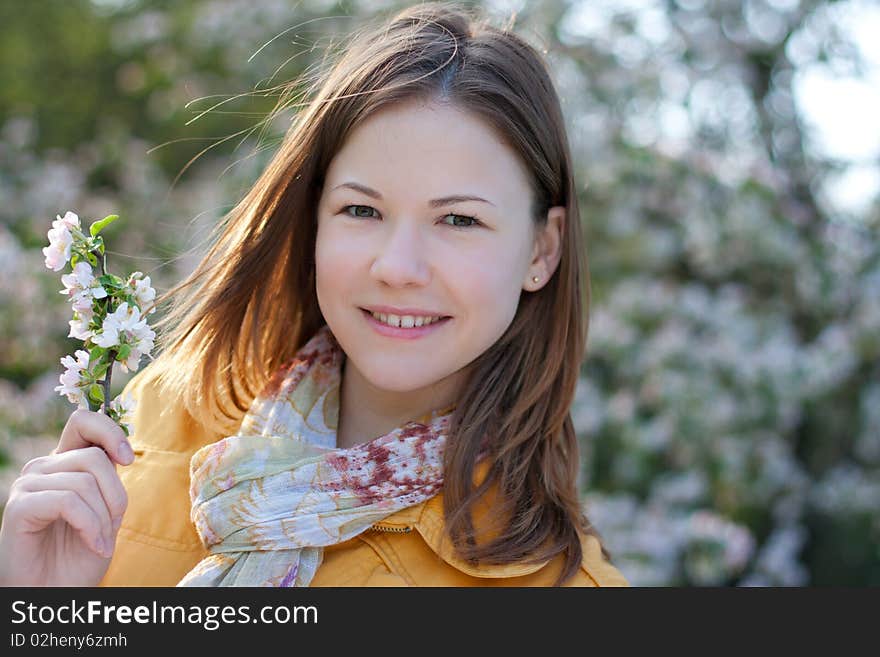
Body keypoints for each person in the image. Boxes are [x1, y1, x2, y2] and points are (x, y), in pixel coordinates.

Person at [0, 2, 628, 587]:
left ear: (542, 250)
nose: (398, 267)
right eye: (361, 209)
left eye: (459, 220)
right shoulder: (167, 413)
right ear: (314, 218)